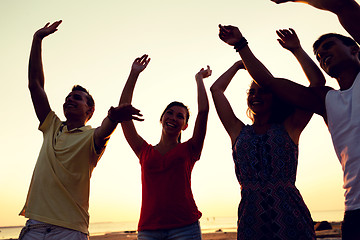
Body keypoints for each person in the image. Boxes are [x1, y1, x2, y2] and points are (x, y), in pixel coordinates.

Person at [233, 0, 360, 238]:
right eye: (319, 56)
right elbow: (269, 82)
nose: (323, 55)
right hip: (355, 210)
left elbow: (346, 7)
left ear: (355, 49)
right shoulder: (325, 100)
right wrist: (241, 45)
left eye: (329, 47)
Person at [19, 21, 143, 240]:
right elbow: (35, 84)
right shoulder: (51, 126)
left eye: (77, 98)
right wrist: (37, 39)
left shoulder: (91, 137)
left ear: (90, 110)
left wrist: (114, 116)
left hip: (70, 230)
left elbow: (106, 128)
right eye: (68, 97)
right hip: (35, 227)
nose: (70, 100)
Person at [212, 26, 326, 239]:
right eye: (252, 92)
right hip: (251, 217)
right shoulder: (238, 131)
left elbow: (317, 84)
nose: (256, 95)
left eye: (263, 90)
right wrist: (238, 65)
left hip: (290, 214)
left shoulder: (291, 126)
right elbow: (216, 90)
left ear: (276, 95)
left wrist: (297, 50)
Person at [115, 54, 210, 240]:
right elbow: (123, 113)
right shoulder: (144, 151)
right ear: (161, 119)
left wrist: (199, 80)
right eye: (170, 113)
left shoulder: (190, 149)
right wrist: (134, 74)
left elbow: (203, 112)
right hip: (149, 229)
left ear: (185, 126)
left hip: (186, 227)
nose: (173, 118)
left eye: (180, 116)